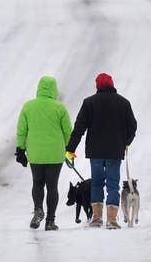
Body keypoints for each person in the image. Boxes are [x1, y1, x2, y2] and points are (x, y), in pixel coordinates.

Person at [65, 73, 137, 229]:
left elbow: (79, 128)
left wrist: (70, 149)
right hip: (114, 151)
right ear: (112, 85)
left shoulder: (89, 103)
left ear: (98, 86)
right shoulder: (123, 103)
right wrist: (126, 142)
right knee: (113, 184)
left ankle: (97, 218)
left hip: (95, 151)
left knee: (96, 183)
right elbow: (132, 126)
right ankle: (111, 219)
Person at [15, 76, 72, 231]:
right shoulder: (60, 108)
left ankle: (38, 209)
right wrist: (69, 149)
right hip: (55, 153)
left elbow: (22, 130)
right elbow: (68, 131)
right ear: (54, 89)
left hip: (35, 152)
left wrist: (20, 149)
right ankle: (50, 221)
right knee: (52, 186)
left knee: (37, 183)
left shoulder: (28, 106)